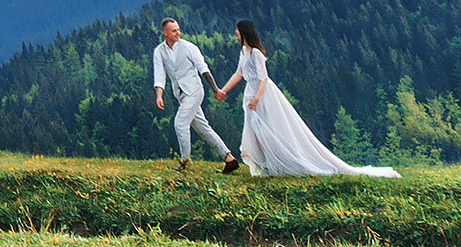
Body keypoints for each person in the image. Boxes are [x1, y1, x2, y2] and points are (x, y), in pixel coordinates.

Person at [214, 19, 399, 178]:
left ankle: (277, 162)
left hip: (260, 94)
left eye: (238, 29)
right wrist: (224, 90)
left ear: (245, 31)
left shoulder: (255, 53)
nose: (235, 32)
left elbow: (263, 78)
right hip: (250, 93)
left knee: (266, 128)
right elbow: (239, 73)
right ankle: (266, 163)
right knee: (255, 129)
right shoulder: (244, 52)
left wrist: (257, 98)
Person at [153, 17, 238, 173]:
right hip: (181, 94)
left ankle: (185, 163)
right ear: (165, 33)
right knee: (203, 129)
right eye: (174, 31)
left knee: (180, 124)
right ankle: (229, 158)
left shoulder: (189, 47)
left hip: (194, 91)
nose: (178, 32)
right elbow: (159, 75)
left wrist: (215, 89)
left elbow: (203, 69)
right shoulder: (159, 51)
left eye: (178, 29)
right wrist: (159, 96)